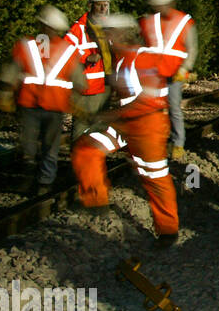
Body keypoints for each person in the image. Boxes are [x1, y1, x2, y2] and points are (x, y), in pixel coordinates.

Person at [71, 13, 180, 245]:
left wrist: (107, 115)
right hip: (126, 123)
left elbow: (148, 101)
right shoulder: (122, 59)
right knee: (86, 147)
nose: (106, 38)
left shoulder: (142, 59)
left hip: (147, 126)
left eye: (109, 33)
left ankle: (168, 230)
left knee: (154, 177)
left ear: (121, 34)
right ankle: (96, 202)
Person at [0, 6, 83, 193]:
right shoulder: (67, 50)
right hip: (49, 105)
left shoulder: (27, 45)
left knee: (33, 145)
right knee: (46, 148)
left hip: (34, 105)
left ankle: (34, 179)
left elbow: (11, 72)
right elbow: (80, 81)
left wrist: (5, 94)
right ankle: (43, 182)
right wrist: (79, 100)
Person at [140, 0, 197, 162]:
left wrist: (185, 67)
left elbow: (192, 48)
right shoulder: (147, 21)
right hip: (152, 75)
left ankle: (178, 143)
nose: (158, 8)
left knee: (173, 108)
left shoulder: (184, 21)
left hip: (174, 74)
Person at [67, 0, 113, 136]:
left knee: (99, 128)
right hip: (86, 87)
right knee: (81, 128)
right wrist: (85, 58)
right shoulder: (79, 28)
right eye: (99, 5)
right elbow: (66, 52)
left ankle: (93, 158)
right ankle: (78, 156)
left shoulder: (108, 26)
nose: (103, 9)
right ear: (90, 5)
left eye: (105, 5)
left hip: (106, 84)